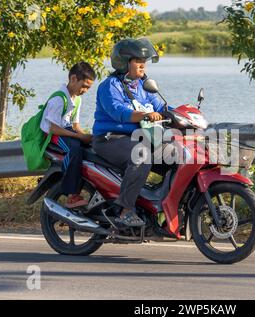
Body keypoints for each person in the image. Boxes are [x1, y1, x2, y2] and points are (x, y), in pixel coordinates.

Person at [92, 38, 167, 227]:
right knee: (141, 156)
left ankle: (159, 207)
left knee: (175, 154)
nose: (143, 65)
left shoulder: (143, 86)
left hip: (139, 138)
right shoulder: (110, 86)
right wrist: (145, 115)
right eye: (137, 61)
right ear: (124, 63)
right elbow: (117, 111)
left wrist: (181, 113)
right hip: (110, 139)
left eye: (144, 62)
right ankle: (125, 210)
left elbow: (161, 107)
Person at [40, 62, 96, 208]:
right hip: (55, 135)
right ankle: (71, 195)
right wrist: (78, 137)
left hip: (67, 131)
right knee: (75, 150)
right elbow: (53, 128)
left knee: (92, 147)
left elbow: (75, 126)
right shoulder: (59, 99)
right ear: (73, 79)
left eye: (88, 88)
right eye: (83, 86)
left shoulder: (77, 99)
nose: (84, 90)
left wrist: (86, 136)